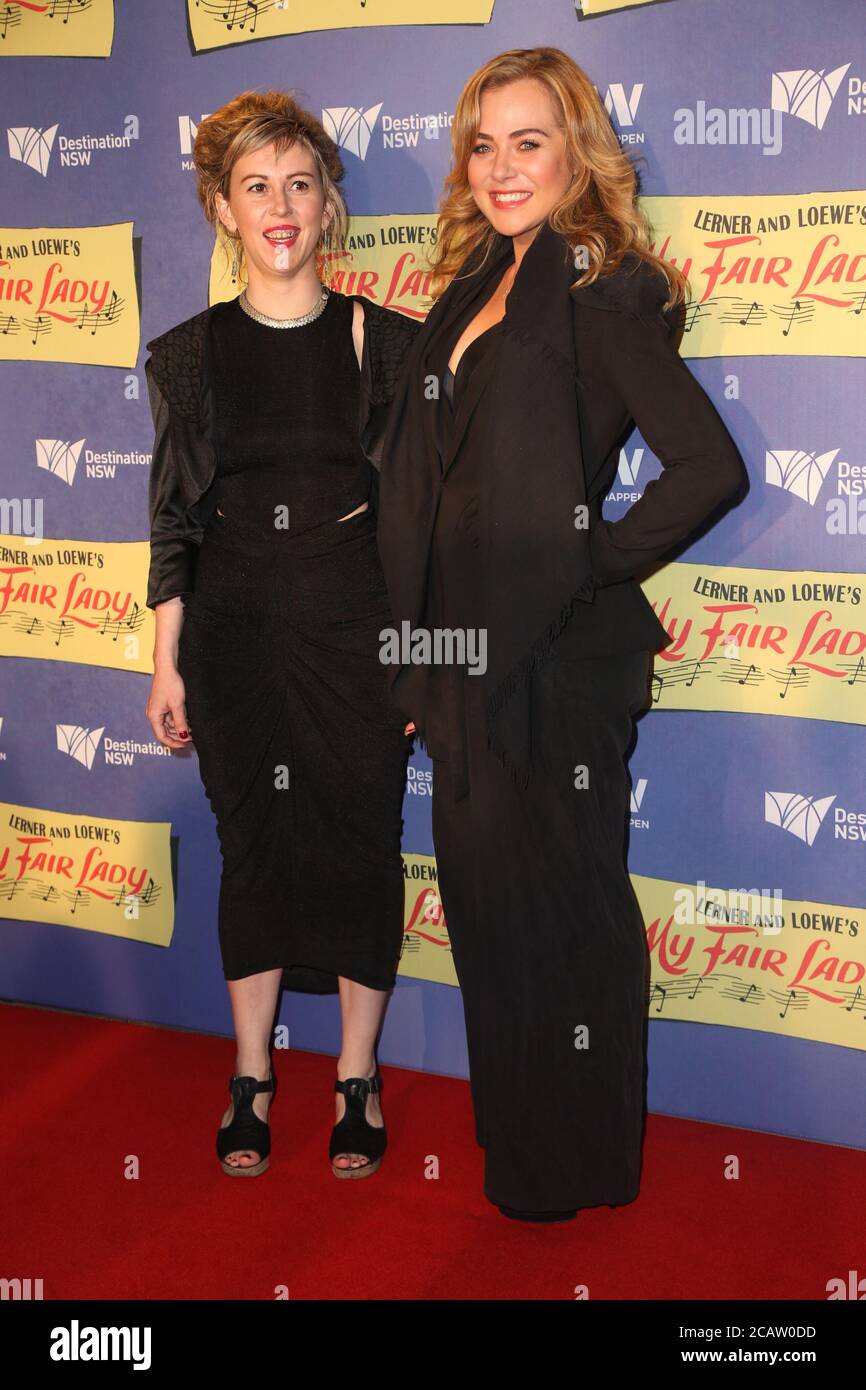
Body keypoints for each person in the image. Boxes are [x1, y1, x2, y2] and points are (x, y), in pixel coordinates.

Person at [377, 48, 748, 1221]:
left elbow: (707, 466)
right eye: (482, 145)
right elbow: (433, 487)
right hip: (460, 662)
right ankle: (522, 1147)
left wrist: (588, 559)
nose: (500, 168)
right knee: (488, 916)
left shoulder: (605, 291)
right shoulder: (471, 285)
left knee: (564, 917)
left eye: (527, 142)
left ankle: (576, 1163)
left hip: (556, 661)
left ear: (575, 151)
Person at [143, 91, 419, 1180]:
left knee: (360, 844)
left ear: (328, 204)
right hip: (232, 639)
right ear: (222, 208)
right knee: (252, 848)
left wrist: (417, 657)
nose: (280, 206)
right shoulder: (186, 356)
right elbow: (173, 517)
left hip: (356, 635)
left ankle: (356, 1076)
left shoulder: (385, 343)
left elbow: (419, 520)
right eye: (255, 187)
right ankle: (251, 1073)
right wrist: (165, 661)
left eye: (299, 184)